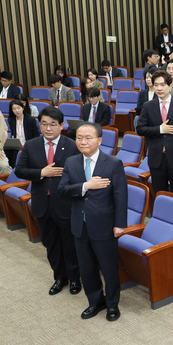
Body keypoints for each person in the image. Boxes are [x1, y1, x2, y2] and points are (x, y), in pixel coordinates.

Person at [58, 123, 127, 321]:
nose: (83, 141)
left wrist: (120, 224)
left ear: (99, 140)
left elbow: (121, 196)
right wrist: (86, 186)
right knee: (86, 268)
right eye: (79, 137)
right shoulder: (71, 162)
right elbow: (62, 190)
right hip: (80, 224)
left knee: (109, 268)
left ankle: (112, 304)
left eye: (88, 137)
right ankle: (95, 301)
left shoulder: (113, 163)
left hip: (105, 225)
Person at [14, 106, 81, 296]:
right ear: (39, 125)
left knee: (70, 244)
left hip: (66, 204)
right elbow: (19, 170)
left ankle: (75, 278)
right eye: (44, 124)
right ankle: (59, 278)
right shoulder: (31, 145)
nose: (48, 128)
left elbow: (80, 174)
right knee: (50, 244)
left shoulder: (72, 146)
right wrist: (41, 173)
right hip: (42, 204)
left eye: (53, 124)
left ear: (61, 126)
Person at [137, 70, 173, 197]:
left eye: (162, 85)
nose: (159, 88)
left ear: (170, 86)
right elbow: (140, 129)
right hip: (156, 158)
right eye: (156, 85)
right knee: (160, 193)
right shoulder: (148, 106)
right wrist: (160, 129)